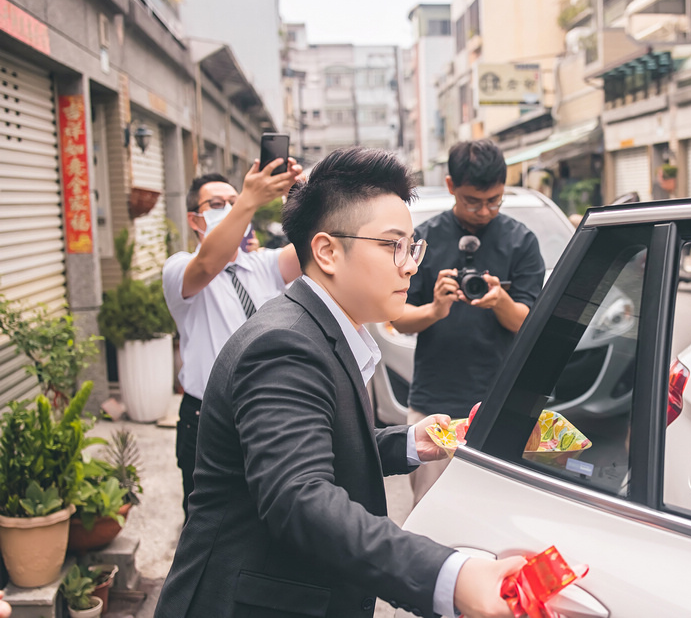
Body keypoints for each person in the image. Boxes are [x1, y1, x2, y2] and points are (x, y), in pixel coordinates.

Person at [154, 147, 524, 618]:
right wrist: (450, 576)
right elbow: (300, 496)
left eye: (412, 247)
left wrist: (412, 441)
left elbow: (319, 441)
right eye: (392, 246)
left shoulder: (317, 326)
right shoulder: (284, 346)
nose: (409, 265)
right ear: (327, 251)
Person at [391, 140, 545, 504]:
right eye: (473, 201)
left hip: (500, 401)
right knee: (431, 508)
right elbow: (398, 319)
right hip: (435, 402)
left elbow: (526, 323)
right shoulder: (422, 240)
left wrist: (500, 301)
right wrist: (434, 309)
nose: (485, 211)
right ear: (450, 187)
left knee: (499, 508)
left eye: (495, 200)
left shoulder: (521, 241)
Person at [162, 159, 303, 518]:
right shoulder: (180, 268)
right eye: (216, 204)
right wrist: (248, 200)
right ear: (195, 220)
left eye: (233, 200)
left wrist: (300, 196)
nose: (228, 208)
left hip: (268, 408)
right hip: (207, 416)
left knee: (268, 513)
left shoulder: (264, 264)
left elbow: (311, 249)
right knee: (208, 519)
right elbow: (210, 262)